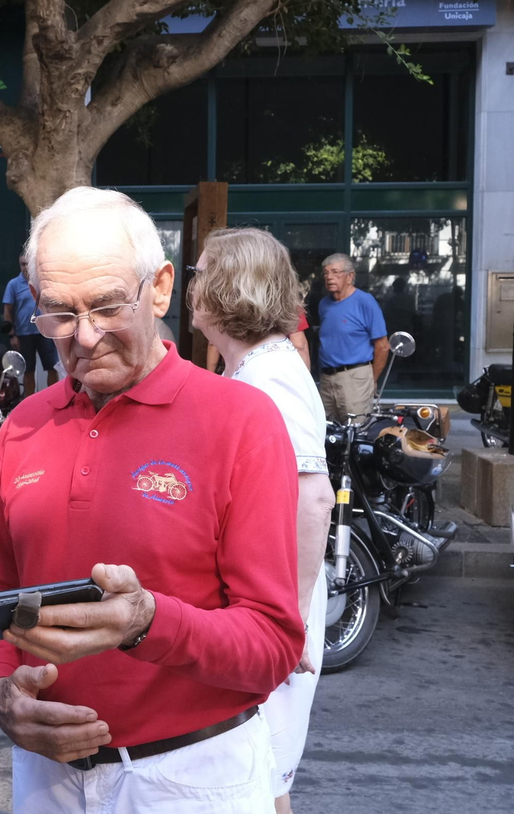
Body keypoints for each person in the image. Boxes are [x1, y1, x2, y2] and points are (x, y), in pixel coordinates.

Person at [0, 187, 302, 813]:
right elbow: (3, 596)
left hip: (191, 776)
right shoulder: (22, 426)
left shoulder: (241, 421)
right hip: (46, 773)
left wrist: (147, 622)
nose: (84, 336)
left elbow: (272, 646)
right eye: (58, 314)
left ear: (159, 289)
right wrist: (1, 694)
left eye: (105, 305)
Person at [190, 228, 334, 813]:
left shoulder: (268, 376)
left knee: (265, 781)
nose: (190, 284)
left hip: (272, 611)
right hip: (265, 605)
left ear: (228, 287)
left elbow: (313, 497)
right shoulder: (257, 368)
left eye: (200, 273)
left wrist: (289, 621)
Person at [316, 253, 388, 420]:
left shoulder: (365, 301)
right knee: (328, 433)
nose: (329, 277)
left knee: (355, 432)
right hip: (326, 379)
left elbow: (383, 346)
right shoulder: (324, 304)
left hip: (355, 378)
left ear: (350, 277)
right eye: (325, 273)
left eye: (335, 272)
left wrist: (372, 380)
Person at [4, 252, 58, 395]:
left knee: (52, 367)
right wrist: (12, 336)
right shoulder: (13, 284)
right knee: (28, 371)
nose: (26, 267)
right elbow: (7, 311)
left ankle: (53, 398)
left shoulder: (43, 282)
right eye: (23, 264)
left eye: (28, 264)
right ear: (19, 265)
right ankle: (29, 403)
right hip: (24, 334)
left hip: (45, 332)